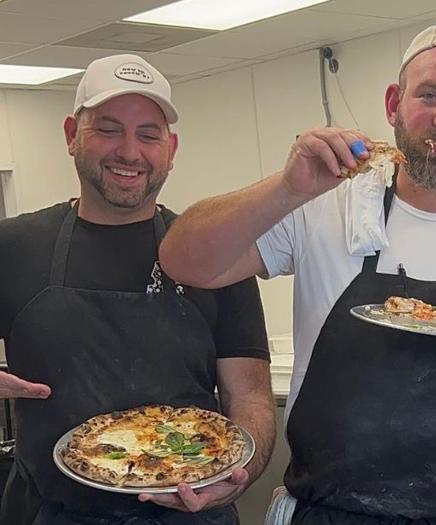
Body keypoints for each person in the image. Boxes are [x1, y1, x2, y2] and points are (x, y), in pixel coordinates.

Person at [159, 23, 436, 524]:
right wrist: (287, 187)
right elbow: (183, 261)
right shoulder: (325, 201)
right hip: (335, 511)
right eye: (429, 95)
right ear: (394, 104)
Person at [0, 54, 276, 525]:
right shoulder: (13, 246)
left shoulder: (217, 253)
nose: (129, 152)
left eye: (148, 135)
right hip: (50, 512)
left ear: (171, 148)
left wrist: (240, 472)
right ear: (71, 135)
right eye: (108, 129)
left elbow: (249, 396)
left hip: (190, 512)